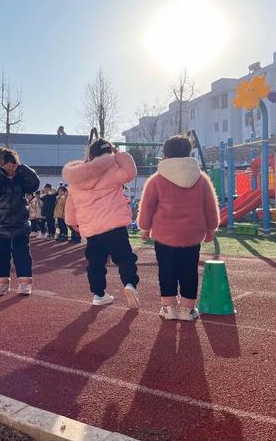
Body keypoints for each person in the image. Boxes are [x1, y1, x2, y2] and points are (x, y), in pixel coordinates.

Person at [138, 135, 220, 321]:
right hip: (192, 234)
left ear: (165, 154)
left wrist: (145, 227)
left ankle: (169, 308)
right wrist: (211, 228)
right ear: (188, 153)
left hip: (164, 234)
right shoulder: (201, 178)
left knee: (166, 270)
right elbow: (210, 206)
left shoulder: (156, 180)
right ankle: (188, 309)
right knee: (189, 270)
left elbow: (147, 206)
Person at [63, 139, 140, 309]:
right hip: (114, 225)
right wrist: (119, 154)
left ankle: (98, 294)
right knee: (124, 257)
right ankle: (129, 284)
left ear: (90, 154)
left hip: (92, 229)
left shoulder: (77, 178)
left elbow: (71, 202)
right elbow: (130, 172)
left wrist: (72, 222)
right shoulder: (112, 172)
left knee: (95, 263)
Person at [0, 147, 39, 296]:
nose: (10, 167)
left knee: (22, 254)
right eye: (6, 163)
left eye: (13, 163)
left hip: (20, 223)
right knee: (0, 255)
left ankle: (25, 282)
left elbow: (34, 184)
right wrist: (0, 173)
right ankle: (2, 283)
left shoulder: (21, 178)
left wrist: (22, 169)